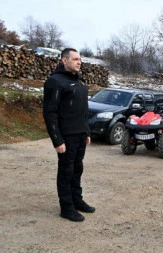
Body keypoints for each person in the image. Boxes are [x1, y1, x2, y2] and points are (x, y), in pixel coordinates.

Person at [43, 48, 95, 222]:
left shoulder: (80, 83)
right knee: (66, 171)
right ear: (64, 61)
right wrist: (57, 139)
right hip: (67, 137)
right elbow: (50, 113)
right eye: (75, 59)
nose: (79, 62)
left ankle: (76, 200)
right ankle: (66, 207)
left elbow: (83, 111)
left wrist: (86, 131)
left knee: (77, 169)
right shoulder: (55, 82)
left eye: (80, 59)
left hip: (80, 135)